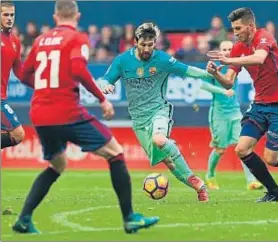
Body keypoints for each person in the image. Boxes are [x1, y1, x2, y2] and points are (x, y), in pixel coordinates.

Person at [12, 0, 159, 234]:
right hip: (66, 111)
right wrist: (101, 98)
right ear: (77, 16)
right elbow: (78, 69)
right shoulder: (77, 38)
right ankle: (129, 217)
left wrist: (43, 87)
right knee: (116, 152)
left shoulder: (40, 41)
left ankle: (24, 219)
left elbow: (22, 73)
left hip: (39, 113)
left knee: (57, 164)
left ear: (55, 16)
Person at [101, 22, 233, 202]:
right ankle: (198, 186)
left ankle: (175, 153)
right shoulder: (123, 61)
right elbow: (104, 79)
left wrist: (210, 74)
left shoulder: (162, 59)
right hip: (139, 120)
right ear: (135, 42)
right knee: (169, 163)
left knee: (160, 139)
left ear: (155, 43)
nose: (147, 48)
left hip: (159, 111)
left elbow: (187, 71)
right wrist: (105, 85)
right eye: (143, 44)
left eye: (151, 44)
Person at [206, 7, 278, 202]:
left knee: (272, 158)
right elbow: (229, 81)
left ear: (251, 26)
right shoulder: (238, 48)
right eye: (233, 29)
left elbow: (260, 58)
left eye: (238, 28)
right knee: (242, 148)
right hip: (260, 105)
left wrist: (229, 58)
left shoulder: (265, 37)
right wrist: (215, 73)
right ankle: (274, 192)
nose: (236, 33)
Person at [205, 40, 263, 191]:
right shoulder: (213, 67)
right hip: (219, 115)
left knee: (243, 146)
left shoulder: (235, 65)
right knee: (220, 149)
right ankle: (210, 175)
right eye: (224, 49)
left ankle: (251, 181)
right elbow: (203, 85)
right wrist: (223, 91)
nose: (226, 51)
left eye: (229, 49)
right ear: (219, 51)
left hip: (235, 113)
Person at [1, 0, 25, 149]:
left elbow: (20, 72)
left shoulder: (15, 41)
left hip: (3, 96)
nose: (9, 18)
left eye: (12, 15)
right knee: (18, 134)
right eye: (5, 15)